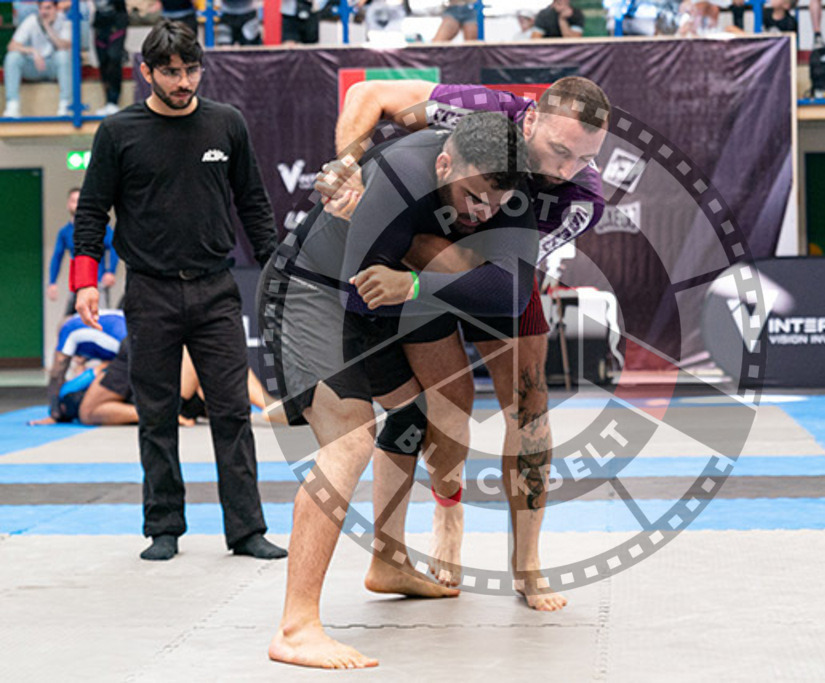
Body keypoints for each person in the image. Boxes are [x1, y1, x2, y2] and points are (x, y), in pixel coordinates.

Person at [317, 77, 608, 611]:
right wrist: (348, 167)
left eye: (583, 159)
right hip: (424, 263)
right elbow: (370, 95)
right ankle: (447, 514)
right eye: (560, 152)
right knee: (449, 410)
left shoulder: (582, 196)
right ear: (531, 120)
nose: (566, 170)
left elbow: (499, 282)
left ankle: (528, 564)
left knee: (530, 409)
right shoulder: (477, 112)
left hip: (498, 270)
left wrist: (426, 249)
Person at [263, 112, 533, 669]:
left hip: (381, 294)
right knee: (350, 439)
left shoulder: (512, 185)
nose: (481, 213)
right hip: (313, 290)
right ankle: (296, 626)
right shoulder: (401, 173)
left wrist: (419, 269)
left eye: (494, 204)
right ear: (444, 164)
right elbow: (363, 293)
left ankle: (387, 561)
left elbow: (510, 295)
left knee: (415, 413)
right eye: (473, 196)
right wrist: (440, 259)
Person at [72, 20, 284, 563]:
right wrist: (85, 283)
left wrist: (278, 271)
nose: (183, 80)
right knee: (157, 413)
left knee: (233, 412)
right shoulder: (118, 133)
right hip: (149, 291)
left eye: (191, 69)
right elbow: (93, 212)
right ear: (146, 72)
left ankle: (246, 529)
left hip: (215, 290)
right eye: (171, 71)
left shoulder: (226, 124)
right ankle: (163, 526)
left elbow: (254, 204)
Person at [33, 343, 277, 426]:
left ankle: (270, 405)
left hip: (178, 398)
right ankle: (268, 405)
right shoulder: (103, 375)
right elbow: (87, 412)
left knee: (221, 359)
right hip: (168, 400)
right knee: (201, 353)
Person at [44, 309, 127, 421]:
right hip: (146, 344)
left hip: (131, 351)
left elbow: (56, 373)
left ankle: (151, 414)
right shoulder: (105, 317)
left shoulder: (68, 329)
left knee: (87, 412)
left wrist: (55, 412)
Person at [49, 188, 118, 315]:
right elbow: (57, 257)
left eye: (79, 201)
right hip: (75, 284)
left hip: (97, 283)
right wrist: (52, 282)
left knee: (99, 317)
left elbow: (114, 247)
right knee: (69, 319)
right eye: (74, 201)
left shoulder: (100, 228)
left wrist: (110, 271)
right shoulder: (65, 232)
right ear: (68, 204)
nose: (77, 204)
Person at [3, 0, 72, 118]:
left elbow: (64, 46)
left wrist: (47, 27)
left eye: (48, 8)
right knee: (12, 58)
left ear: (56, 8)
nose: (44, 12)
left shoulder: (65, 20)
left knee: (63, 56)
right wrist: (33, 51)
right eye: (41, 8)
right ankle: (12, 105)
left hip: (53, 67)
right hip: (34, 65)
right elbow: (12, 46)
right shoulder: (32, 20)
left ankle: (65, 105)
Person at [93, 0, 129, 116]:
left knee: (114, 58)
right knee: (103, 61)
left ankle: (114, 101)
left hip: (117, 19)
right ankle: (108, 101)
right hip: (100, 22)